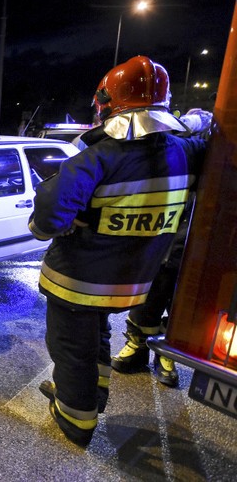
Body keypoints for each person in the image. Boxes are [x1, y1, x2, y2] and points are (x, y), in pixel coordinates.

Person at [28, 56, 207, 447]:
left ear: (107, 103)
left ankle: (76, 419)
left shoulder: (95, 159)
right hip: (133, 280)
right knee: (97, 336)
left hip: (76, 280)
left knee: (71, 348)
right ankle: (95, 396)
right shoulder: (187, 154)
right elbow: (206, 131)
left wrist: (66, 221)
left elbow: (47, 218)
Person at [110, 108, 213, 388]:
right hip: (159, 247)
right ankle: (137, 347)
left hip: (188, 252)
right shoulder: (177, 157)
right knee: (147, 300)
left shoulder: (208, 161)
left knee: (178, 306)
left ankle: (167, 355)